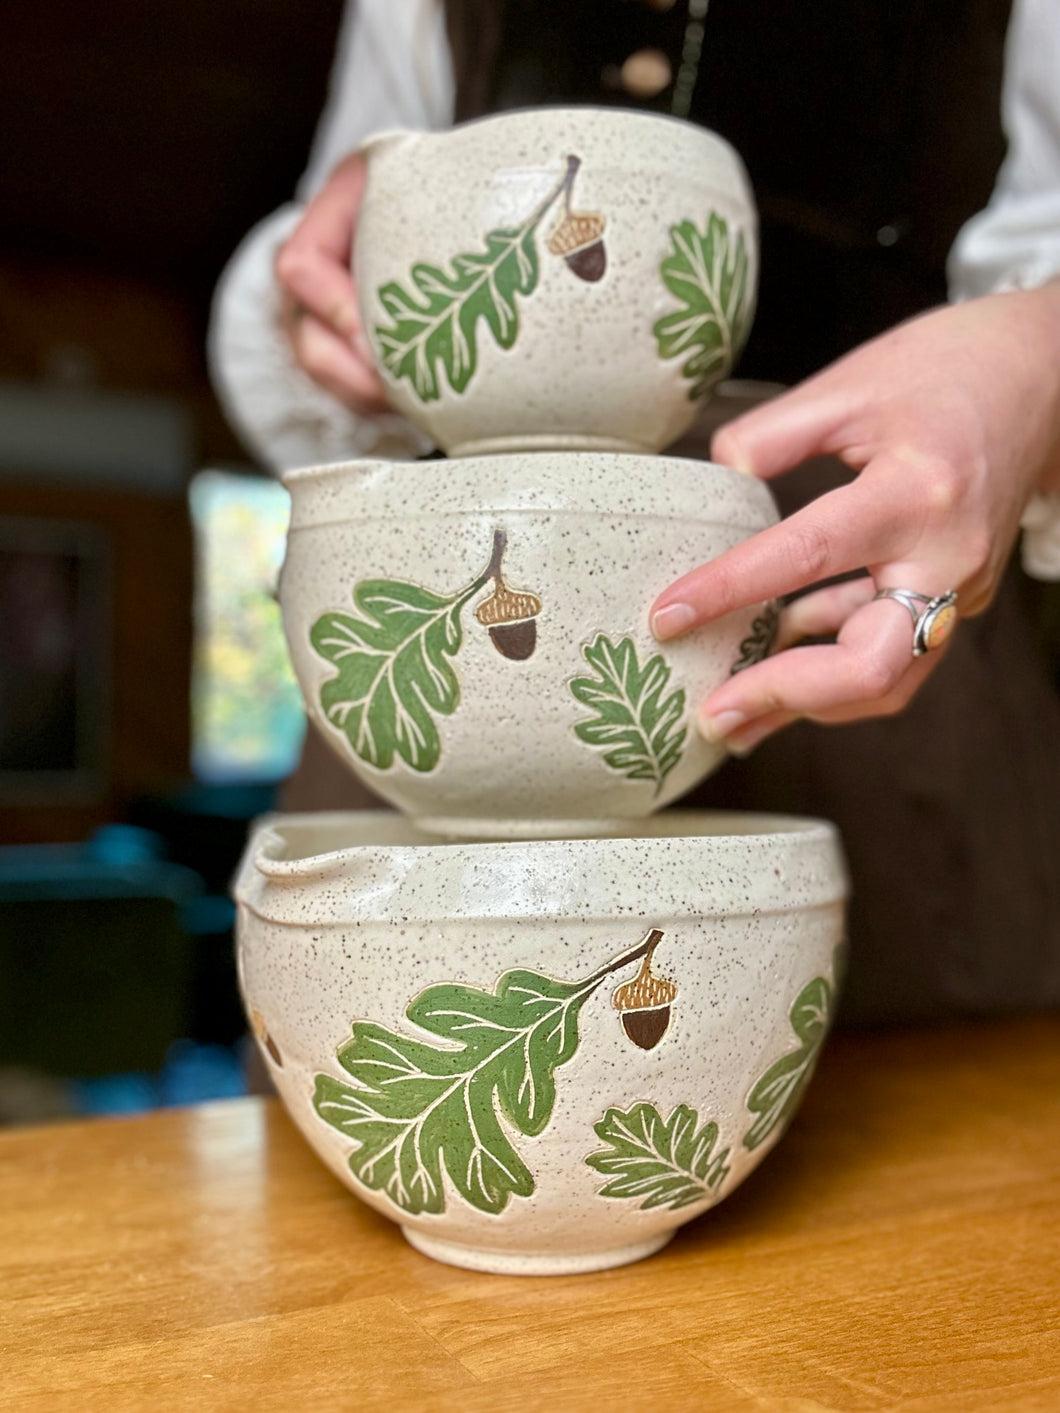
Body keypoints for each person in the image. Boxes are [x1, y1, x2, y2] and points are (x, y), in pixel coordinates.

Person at [210, 0, 1060, 1023]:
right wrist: (341, 306)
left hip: (865, 612)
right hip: (452, 626)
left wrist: (1039, 352)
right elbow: (337, 292)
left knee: (941, 1150)